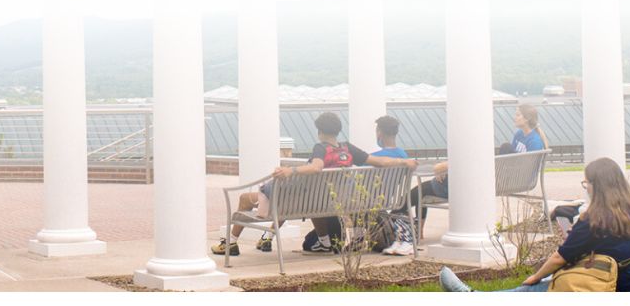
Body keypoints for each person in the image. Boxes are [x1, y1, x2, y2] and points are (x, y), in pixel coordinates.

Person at [212, 112, 418, 256]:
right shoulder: (348, 148)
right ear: (338, 130)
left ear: (319, 130)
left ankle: (229, 244)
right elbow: (380, 161)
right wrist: (404, 161)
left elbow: (317, 166)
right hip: (329, 202)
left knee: (244, 198)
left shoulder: (321, 148)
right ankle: (323, 242)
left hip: (303, 201)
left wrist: (291, 170)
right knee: (302, 200)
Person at [440, 157, 630, 292]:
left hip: (608, 287)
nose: (586, 188)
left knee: (534, 289)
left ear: (597, 186)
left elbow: (560, 256)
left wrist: (535, 276)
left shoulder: (594, 219)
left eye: (586, 183)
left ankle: (469, 295)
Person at [417, 104, 548, 225]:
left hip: (518, 179)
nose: (514, 117)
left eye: (518, 114)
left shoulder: (534, 141)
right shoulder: (519, 134)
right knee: (491, 158)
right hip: (508, 174)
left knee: (502, 150)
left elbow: (528, 167)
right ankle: (449, 179)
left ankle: (449, 183)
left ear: (527, 118)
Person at [370, 116, 415, 256]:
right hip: (391, 199)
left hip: (371, 202)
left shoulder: (373, 157)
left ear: (380, 132)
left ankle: (357, 237)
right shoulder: (402, 155)